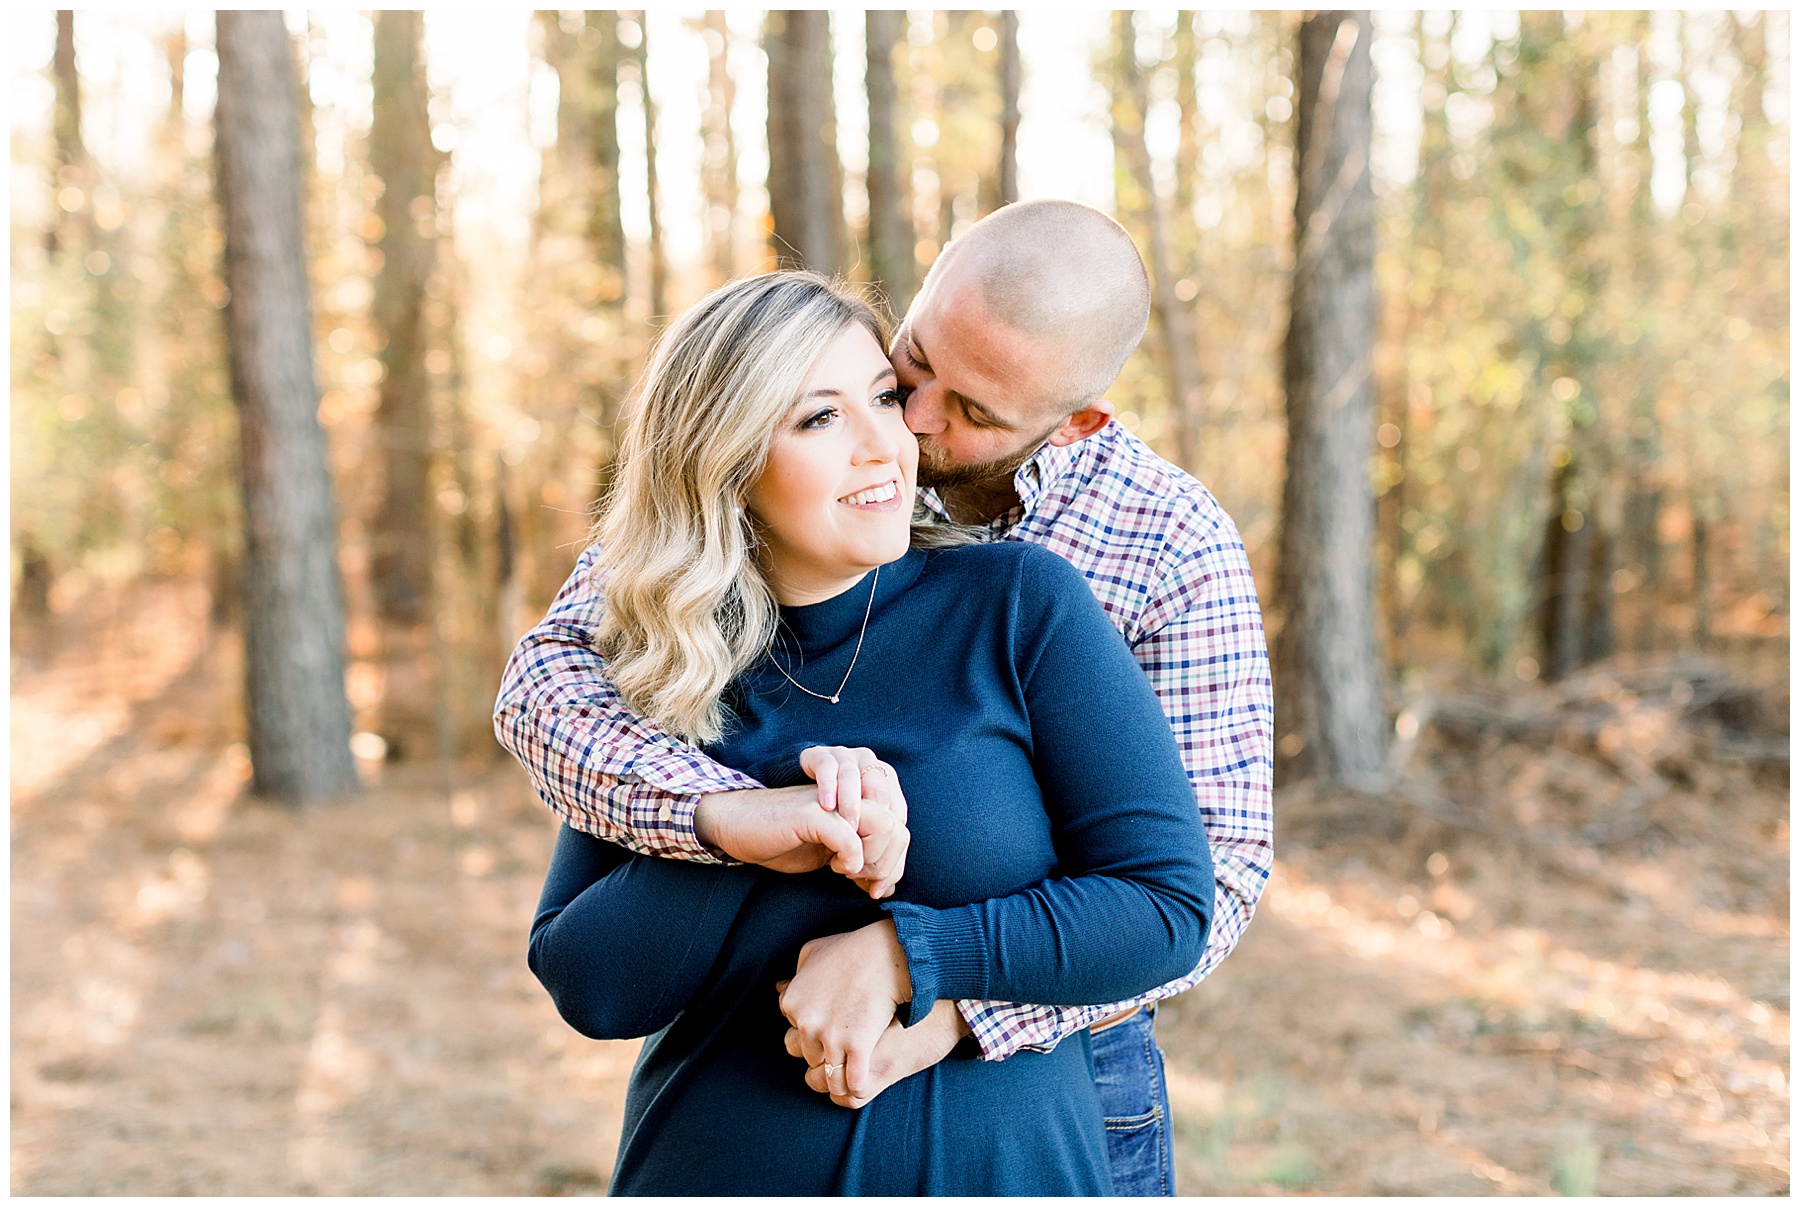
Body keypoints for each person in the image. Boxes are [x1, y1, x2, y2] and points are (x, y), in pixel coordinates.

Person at [496, 200, 1275, 1195]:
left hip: (1050, 1072)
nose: (906, 426)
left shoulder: (1124, 560)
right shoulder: (687, 627)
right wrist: (758, 810)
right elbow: (551, 685)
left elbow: (1204, 882)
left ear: (1073, 418)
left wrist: (930, 980)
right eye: (902, 370)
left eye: (970, 411)